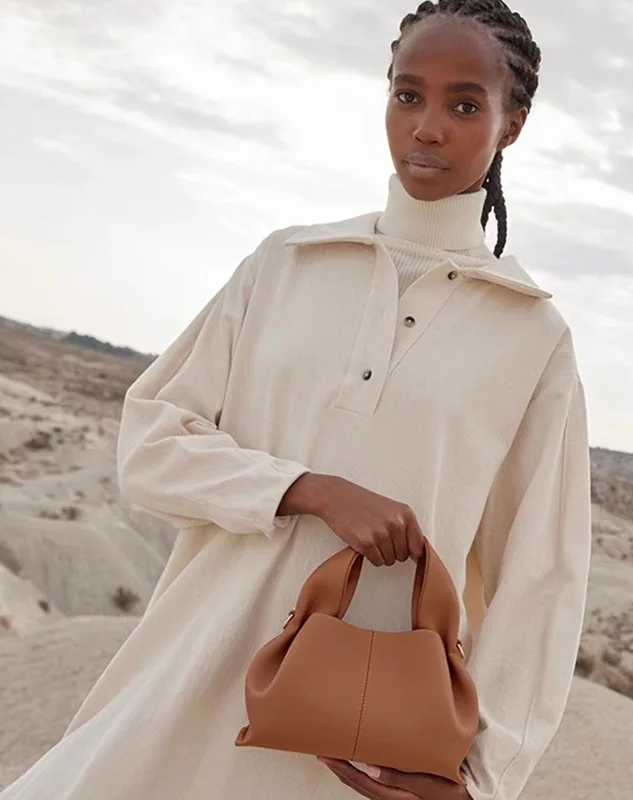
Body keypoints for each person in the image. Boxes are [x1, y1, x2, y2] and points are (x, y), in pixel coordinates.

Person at [0, 1, 591, 799]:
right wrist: (305, 488)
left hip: (355, 750)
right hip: (185, 682)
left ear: (511, 124)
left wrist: (482, 778)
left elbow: (542, 577)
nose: (426, 127)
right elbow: (149, 448)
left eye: (464, 104)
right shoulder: (286, 264)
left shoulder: (532, 337)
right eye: (408, 94)